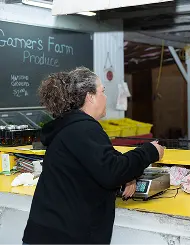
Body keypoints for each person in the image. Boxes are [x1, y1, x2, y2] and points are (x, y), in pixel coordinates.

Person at [22, 67, 164, 245]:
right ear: (90, 97)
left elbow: (97, 166)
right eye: (102, 91)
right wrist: (150, 151)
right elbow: (112, 170)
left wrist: (126, 178)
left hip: (47, 234)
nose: (105, 97)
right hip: (64, 238)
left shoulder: (70, 127)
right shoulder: (84, 129)